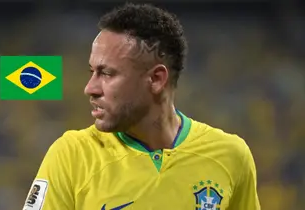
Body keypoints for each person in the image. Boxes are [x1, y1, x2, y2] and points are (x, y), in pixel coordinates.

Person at [23, 3, 260, 210]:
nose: (90, 88)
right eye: (92, 72)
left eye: (106, 73)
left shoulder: (231, 156)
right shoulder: (71, 156)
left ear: (156, 79)